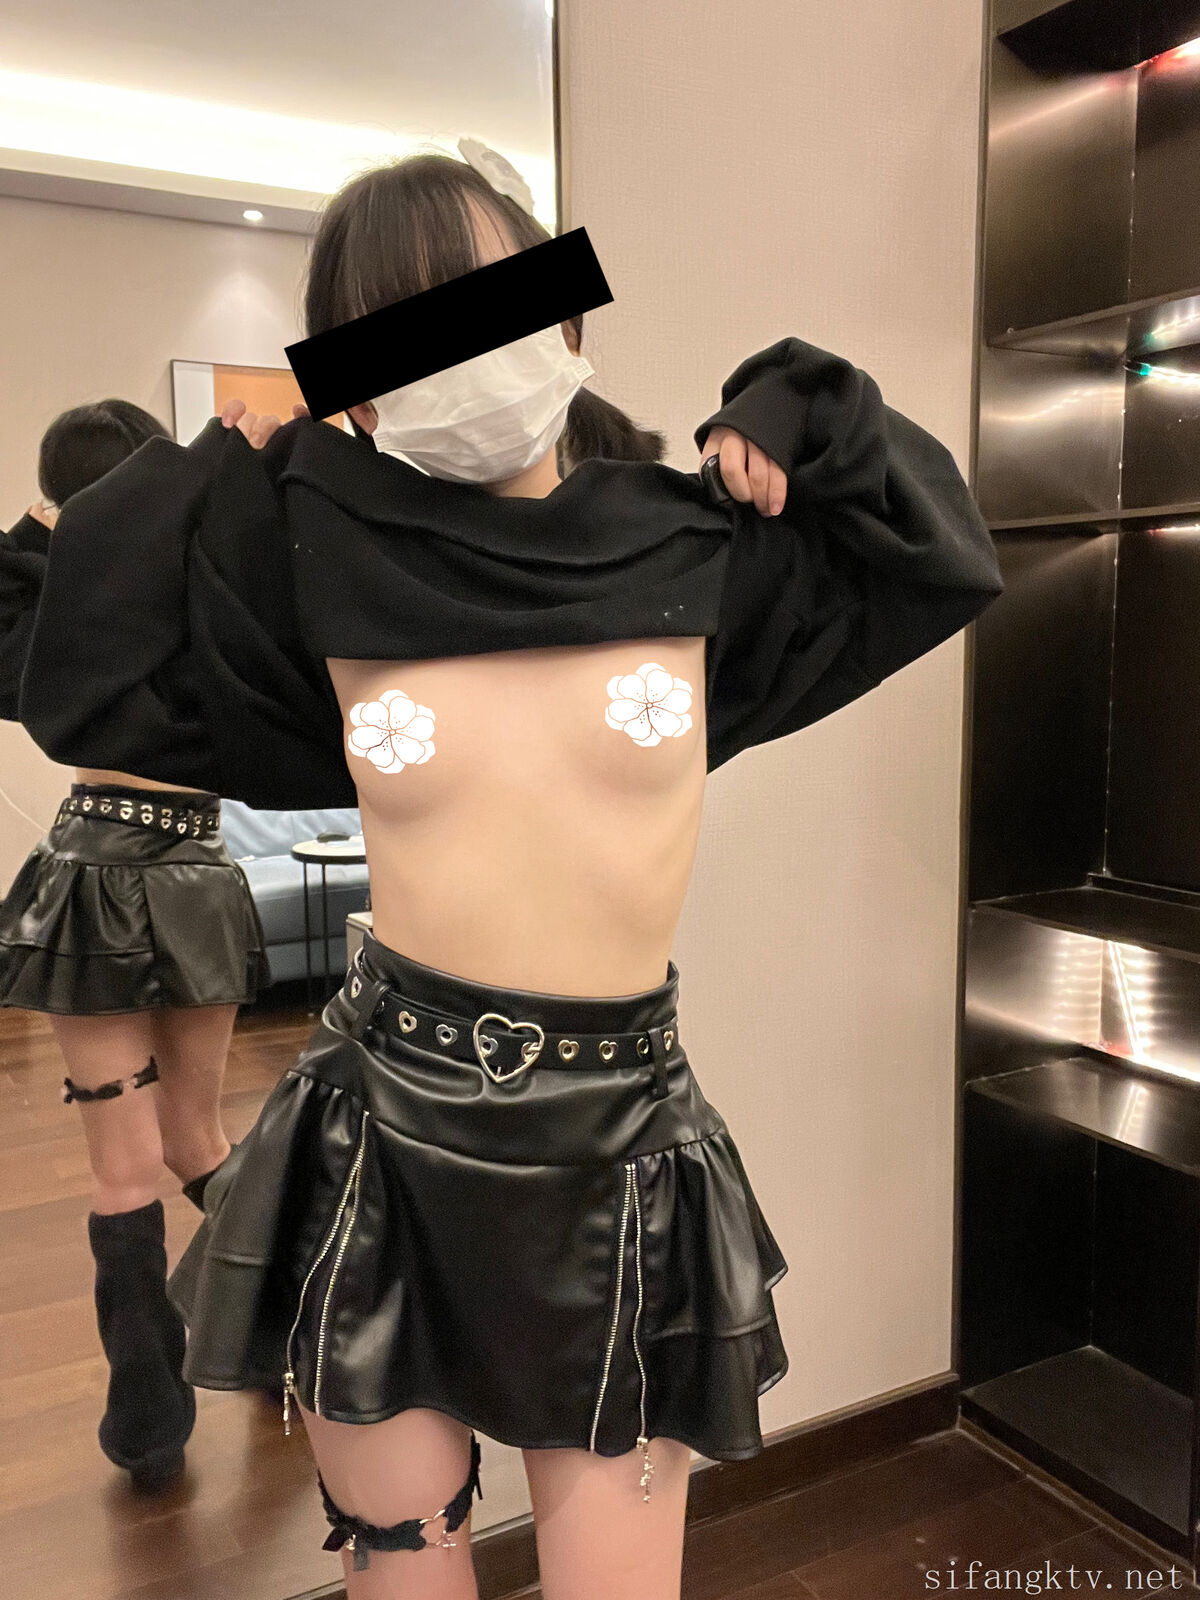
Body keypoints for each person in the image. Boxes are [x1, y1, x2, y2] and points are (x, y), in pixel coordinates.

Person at [17, 149, 1002, 1598]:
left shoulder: (686, 543)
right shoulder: (325, 557)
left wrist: (802, 402)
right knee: (404, 1573)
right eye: (395, 335)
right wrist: (236, 457)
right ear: (356, 383)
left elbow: (938, 555)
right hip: (385, 1138)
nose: (455, 354)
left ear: (565, 312)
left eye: (483, 303)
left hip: (618, 1152)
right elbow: (73, 663)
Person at [0, 399, 269, 1493]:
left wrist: (38, 532)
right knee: (199, 1137)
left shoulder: (63, 607)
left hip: (92, 869)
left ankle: (148, 1409)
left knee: (122, 1163)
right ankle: (289, 1320)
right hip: (195, 867)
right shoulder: (210, 591)